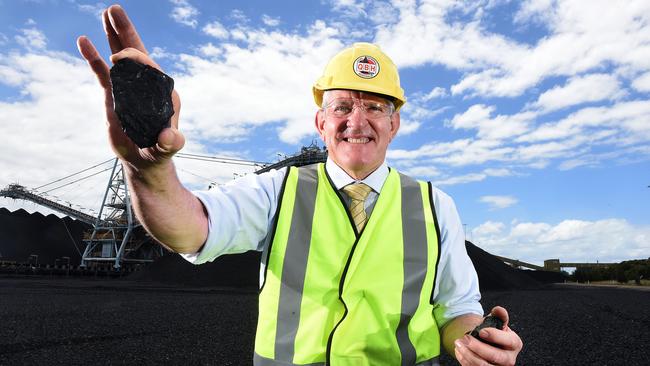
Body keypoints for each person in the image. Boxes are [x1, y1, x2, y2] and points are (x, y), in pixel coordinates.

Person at [78, 4, 523, 365]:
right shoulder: (278, 191)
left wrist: (471, 341)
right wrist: (149, 170)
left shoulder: (434, 205)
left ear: (395, 123)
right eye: (342, 105)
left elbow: (456, 307)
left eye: (374, 107)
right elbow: (190, 229)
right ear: (321, 121)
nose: (357, 120)